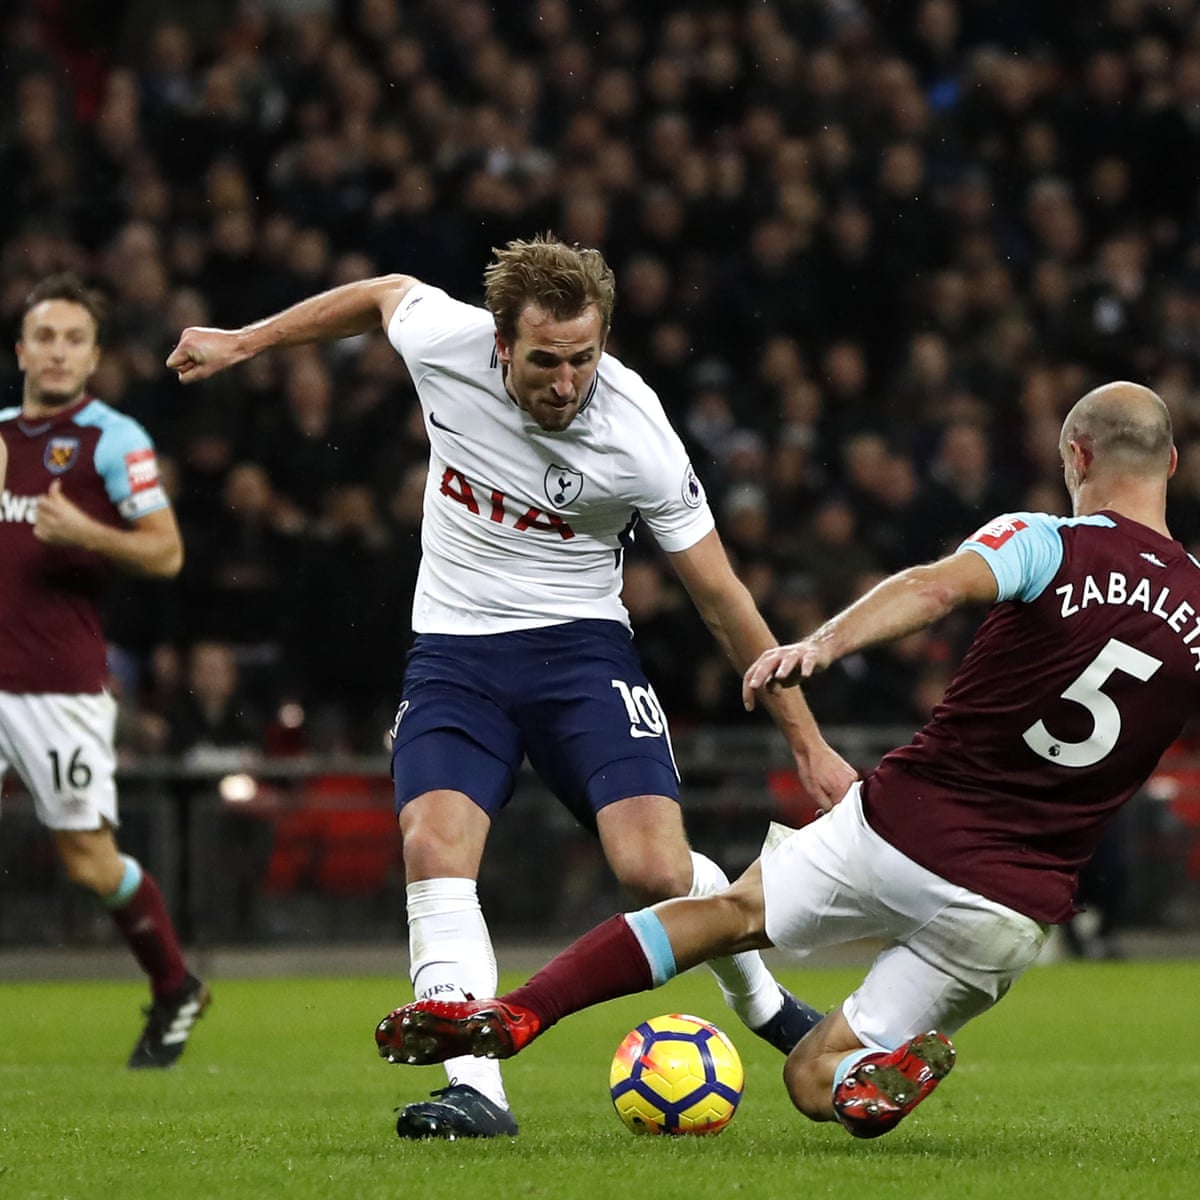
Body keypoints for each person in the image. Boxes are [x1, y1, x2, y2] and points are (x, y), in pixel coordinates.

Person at [375, 380, 1198, 1139]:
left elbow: (936, 587)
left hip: (907, 827)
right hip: (1012, 909)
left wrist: (825, 642)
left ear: (1075, 456)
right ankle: (863, 1079)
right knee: (812, 1076)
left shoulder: (1047, 541)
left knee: (727, 914)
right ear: (1169, 464)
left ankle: (523, 1012)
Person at [166, 234, 855, 1138]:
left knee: (653, 869)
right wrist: (245, 341)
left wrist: (808, 742)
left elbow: (723, 599)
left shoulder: (638, 435)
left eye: (583, 358)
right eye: (544, 361)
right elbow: (382, 292)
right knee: (432, 843)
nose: (567, 383)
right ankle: (474, 1089)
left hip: (583, 655)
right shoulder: (443, 341)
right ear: (500, 344)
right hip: (456, 656)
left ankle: (765, 1005)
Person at [0, 274, 209, 1068]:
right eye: (44, 337)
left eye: (73, 339)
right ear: (22, 351)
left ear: (92, 357)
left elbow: (167, 551)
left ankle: (175, 984)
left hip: (57, 688)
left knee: (88, 860)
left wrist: (86, 532)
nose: (57, 351)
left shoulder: (112, 440)